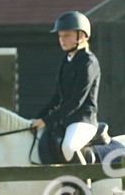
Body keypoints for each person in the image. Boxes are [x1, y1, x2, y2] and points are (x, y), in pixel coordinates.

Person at [32, 11, 100, 163]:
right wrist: (36, 118)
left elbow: (76, 101)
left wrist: (46, 120)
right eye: (60, 36)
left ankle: (84, 179)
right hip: (65, 121)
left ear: (82, 36)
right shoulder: (66, 60)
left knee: (69, 147)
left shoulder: (88, 62)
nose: (62, 40)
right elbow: (57, 98)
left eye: (67, 35)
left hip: (83, 120)